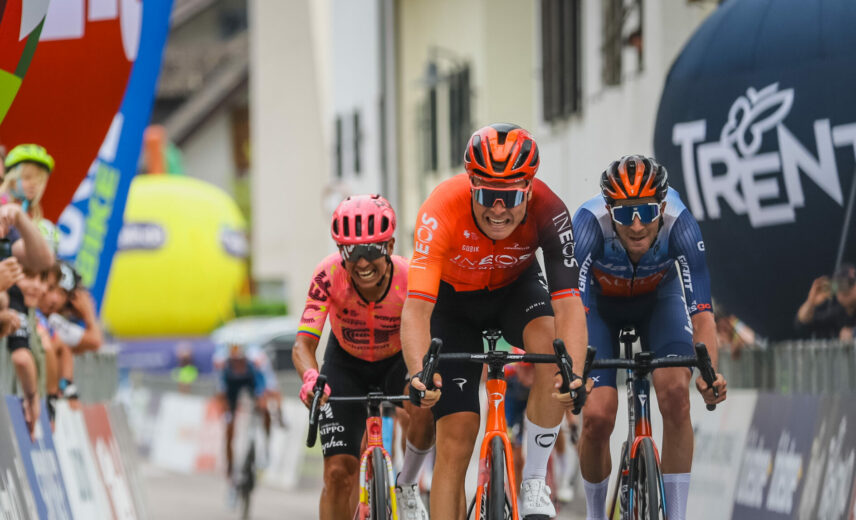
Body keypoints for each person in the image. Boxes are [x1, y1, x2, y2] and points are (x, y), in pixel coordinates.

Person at [402, 123, 588, 519]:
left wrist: (573, 374)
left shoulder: (551, 211)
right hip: (452, 308)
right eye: (487, 196)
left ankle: (536, 480)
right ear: (471, 185)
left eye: (510, 197)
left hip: (515, 289)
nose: (498, 210)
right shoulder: (440, 208)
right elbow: (417, 308)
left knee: (555, 357)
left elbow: (570, 306)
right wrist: (420, 373)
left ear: (529, 189)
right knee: (455, 437)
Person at [571, 155, 727, 520]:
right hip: (600, 308)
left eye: (646, 211)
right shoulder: (588, 224)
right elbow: (572, 312)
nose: (638, 225)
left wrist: (709, 373)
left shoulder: (681, 224)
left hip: (660, 299)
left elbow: (702, 313)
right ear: (610, 212)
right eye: (625, 214)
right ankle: (596, 514)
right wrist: (574, 373)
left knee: (675, 394)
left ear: (662, 206)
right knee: (596, 416)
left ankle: (676, 514)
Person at [292, 194, 434, 520]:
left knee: (425, 408)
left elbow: (429, 335)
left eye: (371, 250)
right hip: (346, 364)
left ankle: (408, 484)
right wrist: (311, 378)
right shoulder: (328, 274)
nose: (362, 262)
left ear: (390, 246)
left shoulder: (410, 277)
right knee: (338, 472)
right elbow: (303, 345)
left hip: (398, 358)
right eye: (351, 251)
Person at [215, 341, 268, 504]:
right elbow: (221, 394)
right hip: (231, 399)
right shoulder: (225, 369)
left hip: (249, 395)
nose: (238, 364)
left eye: (240, 361)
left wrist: (261, 402)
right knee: (229, 431)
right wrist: (227, 412)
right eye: (235, 361)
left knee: (265, 409)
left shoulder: (252, 367)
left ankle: (265, 446)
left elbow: (261, 388)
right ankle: (231, 472)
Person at [795, 263, 856, 341]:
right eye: (840, 284)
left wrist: (853, 333)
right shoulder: (838, 314)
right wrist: (811, 302)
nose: (846, 288)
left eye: (850, 283)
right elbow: (802, 324)